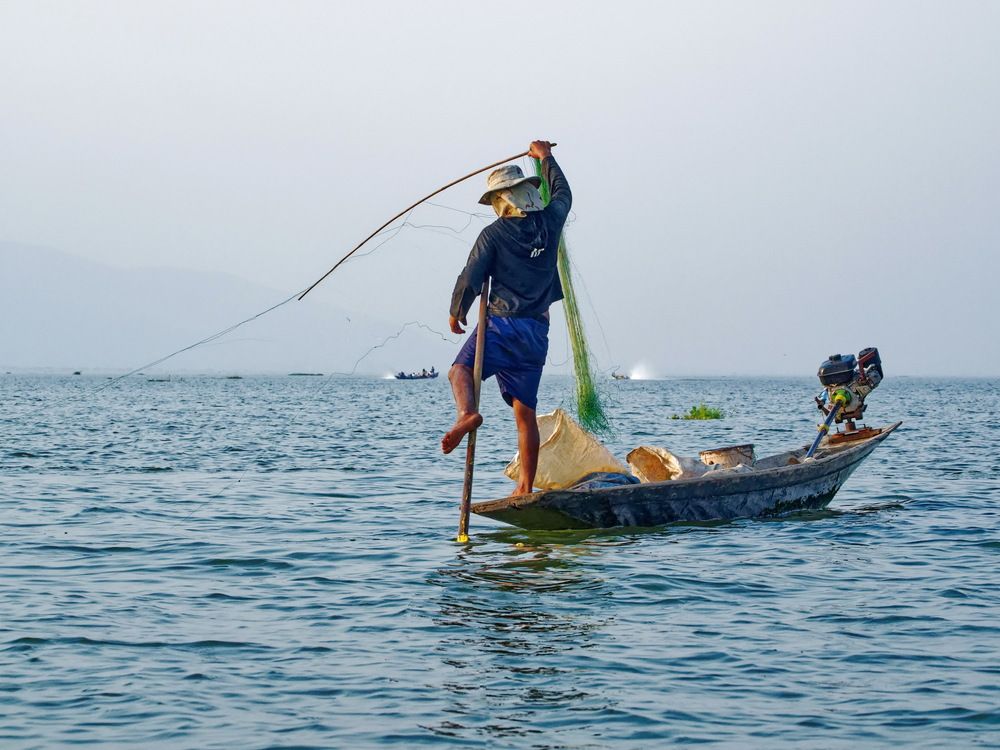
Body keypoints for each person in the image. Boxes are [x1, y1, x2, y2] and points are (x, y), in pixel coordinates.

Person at [441, 140, 571, 496]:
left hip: (501, 324)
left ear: (502, 199)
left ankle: (466, 414)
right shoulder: (550, 221)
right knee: (524, 413)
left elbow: (470, 277)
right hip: (537, 331)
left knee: (459, 371)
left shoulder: (493, 234)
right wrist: (546, 158)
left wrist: (457, 313)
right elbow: (563, 194)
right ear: (527, 193)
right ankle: (525, 487)